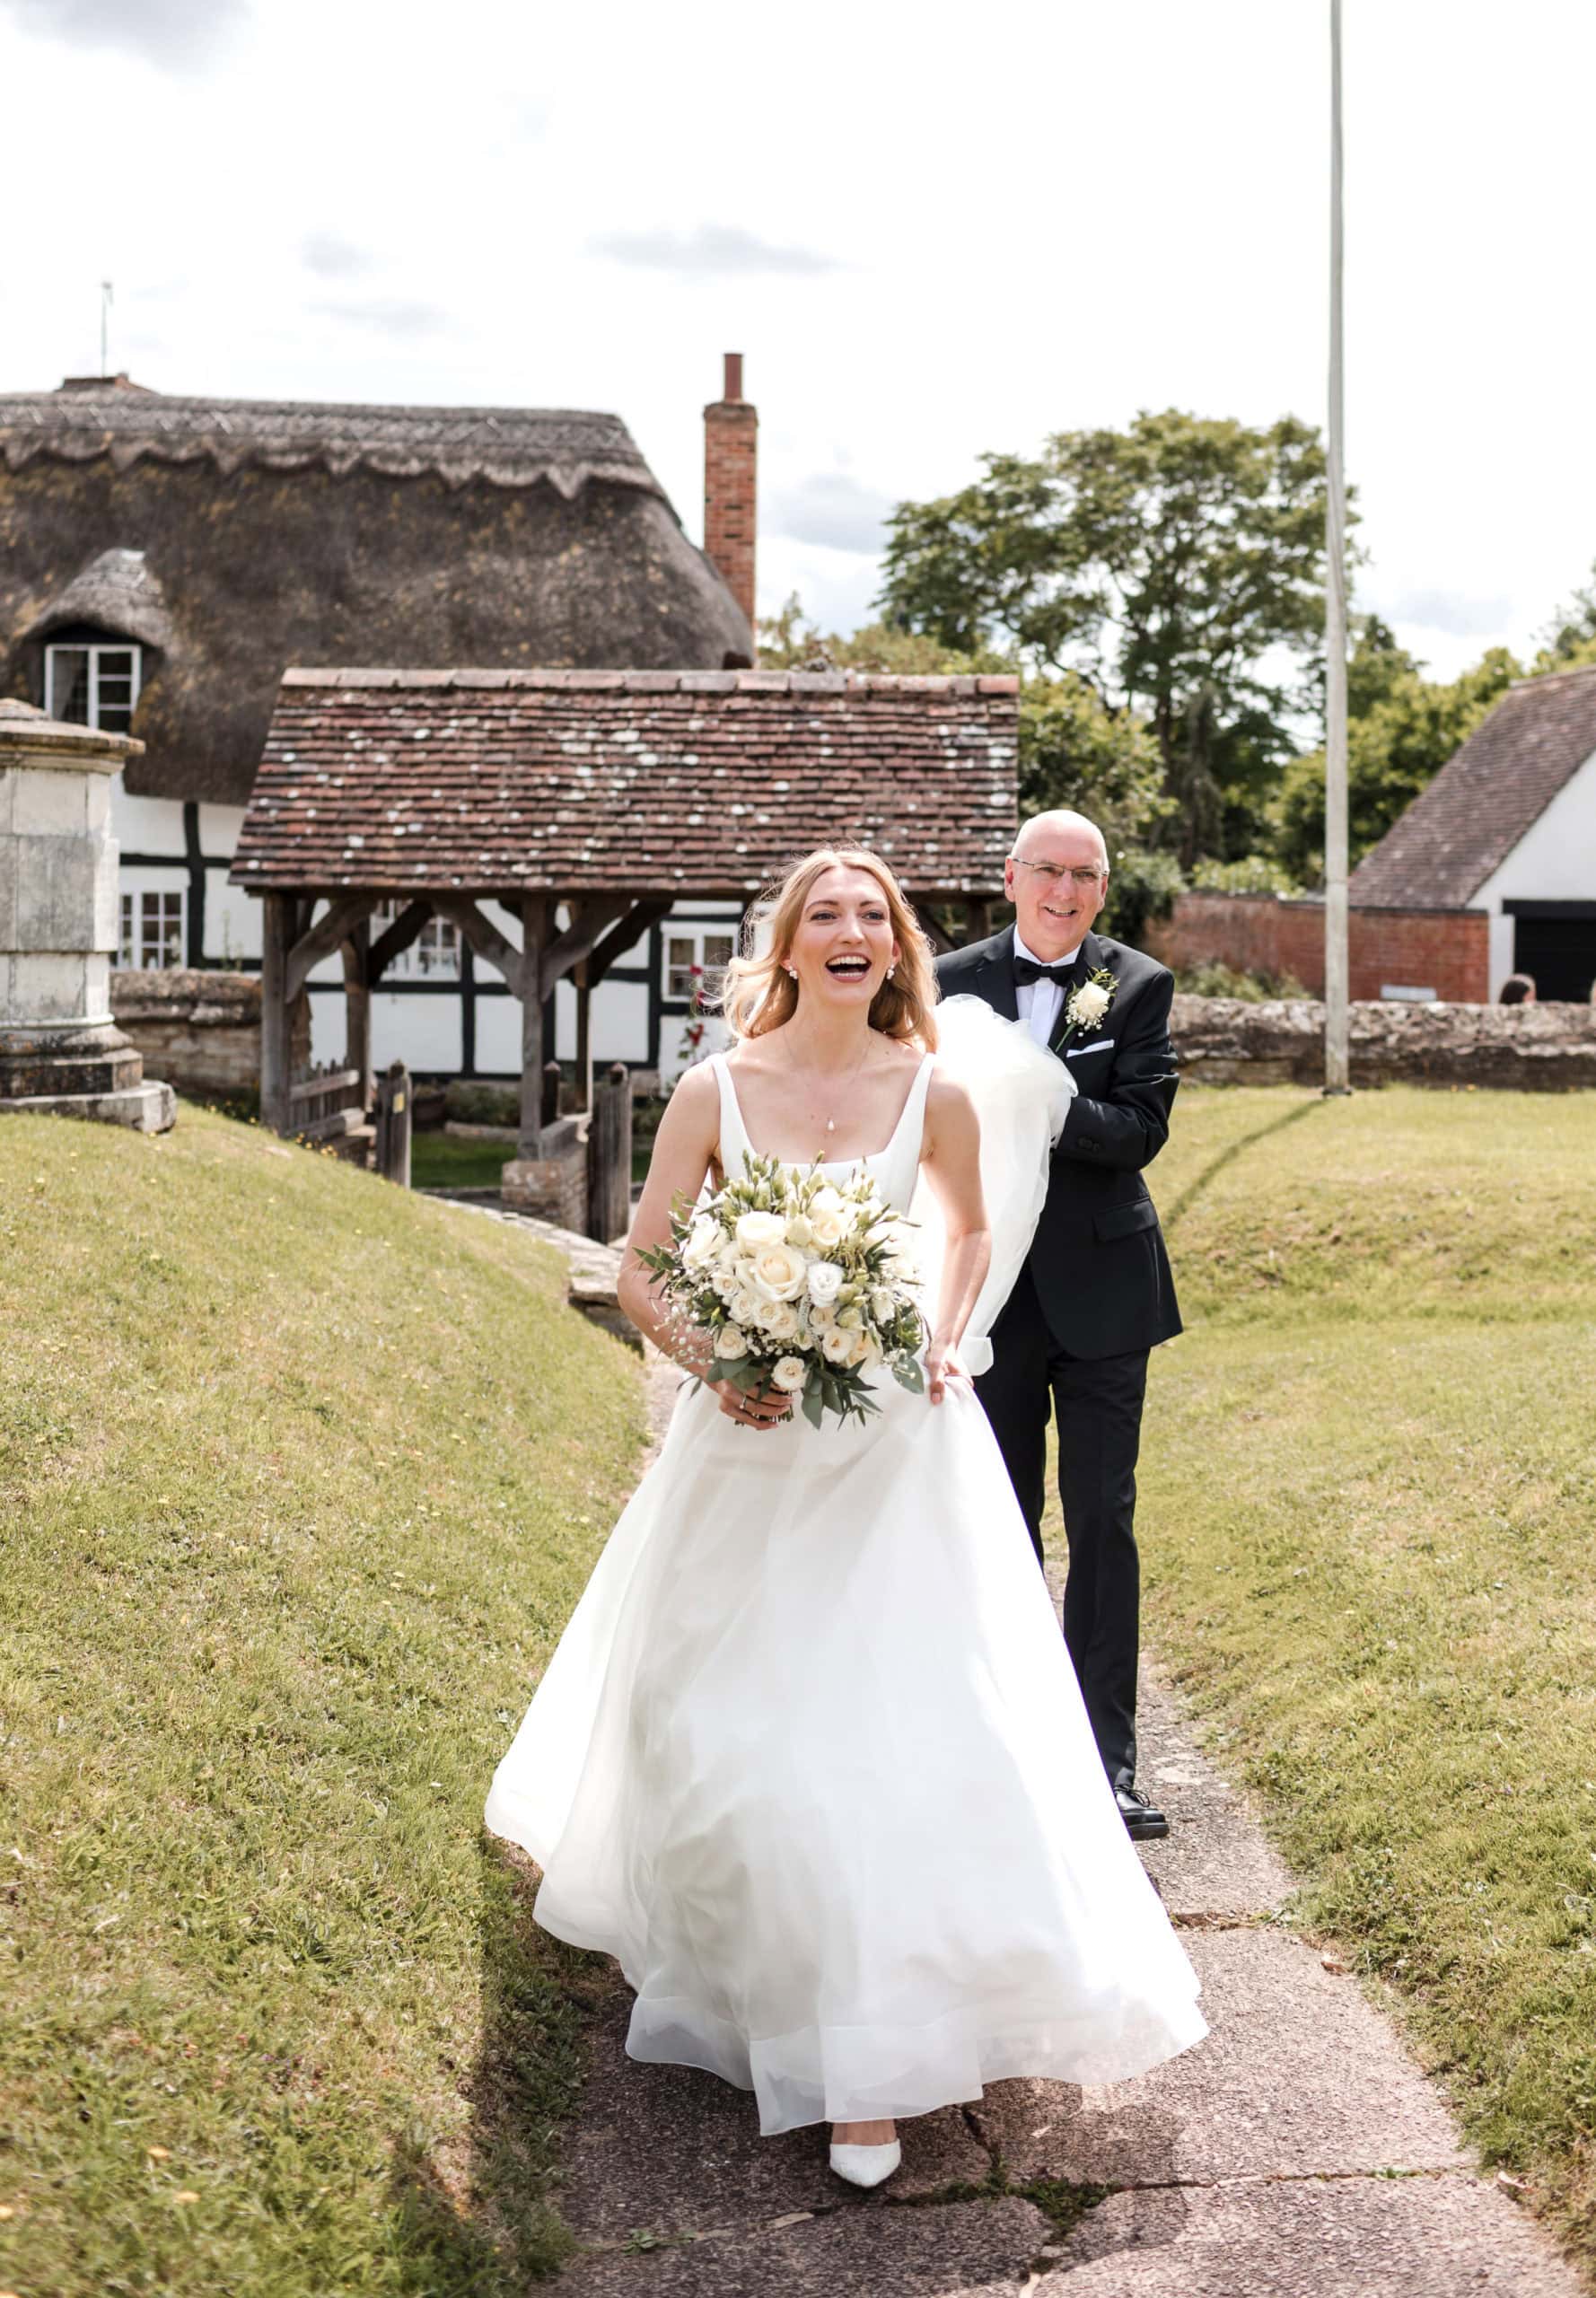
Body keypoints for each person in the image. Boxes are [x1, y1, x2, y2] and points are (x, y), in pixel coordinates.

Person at [484, 845, 1204, 2193]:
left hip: (893, 1447)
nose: (851, 932)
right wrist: (714, 1359)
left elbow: (972, 1234)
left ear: (897, 949)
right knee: (725, 1728)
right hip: (746, 1447)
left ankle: (866, 2065)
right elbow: (642, 1263)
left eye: (873, 916)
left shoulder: (929, 1090)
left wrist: (940, 1335)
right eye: (827, 914)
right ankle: (766, 1983)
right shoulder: (715, 1091)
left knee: (898, 1729)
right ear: (791, 943)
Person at [936, 810, 1181, 1842]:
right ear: (1011, 876)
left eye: (1085, 875)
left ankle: (1106, 1761)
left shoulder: (1136, 984)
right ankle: (994, 1745)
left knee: (1102, 1522)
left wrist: (1030, 1100)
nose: (1065, 890)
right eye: (1048, 870)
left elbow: (1137, 1131)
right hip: (980, 1289)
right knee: (993, 1523)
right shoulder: (943, 980)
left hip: (1104, 1292)